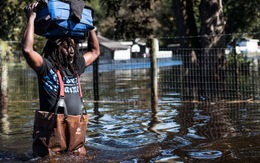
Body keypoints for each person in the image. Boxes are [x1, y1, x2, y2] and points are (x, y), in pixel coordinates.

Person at [22, 2, 100, 157]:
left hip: (75, 138)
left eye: (73, 47)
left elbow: (95, 51)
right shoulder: (46, 68)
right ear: (55, 49)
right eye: (66, 46)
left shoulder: (76, 67)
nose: (72, 50)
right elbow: (27, 49)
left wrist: (90, 26)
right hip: (51, 140)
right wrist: (32, 18)